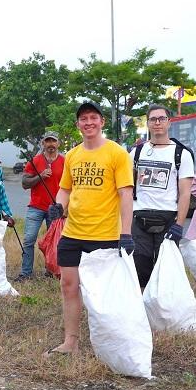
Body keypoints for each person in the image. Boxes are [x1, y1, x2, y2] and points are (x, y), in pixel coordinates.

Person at [45, 100, 134, 357]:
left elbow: (126, 194)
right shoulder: (72, 155)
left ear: (102, 122)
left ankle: (109, 344)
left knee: (102, 293)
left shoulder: (117, 154)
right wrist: (58, 208)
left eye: (93, 118)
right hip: (73, 233)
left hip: (105, 235)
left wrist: (125, 233)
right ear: (78, 125)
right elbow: (65, 189)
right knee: (68, 286)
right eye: (84, 119)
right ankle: (70, 343)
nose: (89, 123)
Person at [129, 105, 194, 290]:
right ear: (148, 123)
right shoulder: (137, 152)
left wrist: (179, 225)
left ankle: (164, 311)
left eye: (161, 118)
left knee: (165, 270)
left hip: (168, 218)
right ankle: (143, 311)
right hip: (139, 216)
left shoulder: (182, 153)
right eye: (153, 119)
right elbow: (127, 187)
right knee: (140, 268)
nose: (157, 122)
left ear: (169, 122)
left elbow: (185, 192)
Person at [19, 131, 65, 281]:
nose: (51, 144)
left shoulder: (65, 161)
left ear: (58, 143)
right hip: (36, 207)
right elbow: (25, 183)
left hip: (56, 208)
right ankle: (26, 273)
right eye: (48, 141)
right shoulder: (35, 161)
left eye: (53, 141)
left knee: (54, 241)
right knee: (28, 239)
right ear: (43, 144)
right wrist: (40, 176)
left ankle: (51, 270)